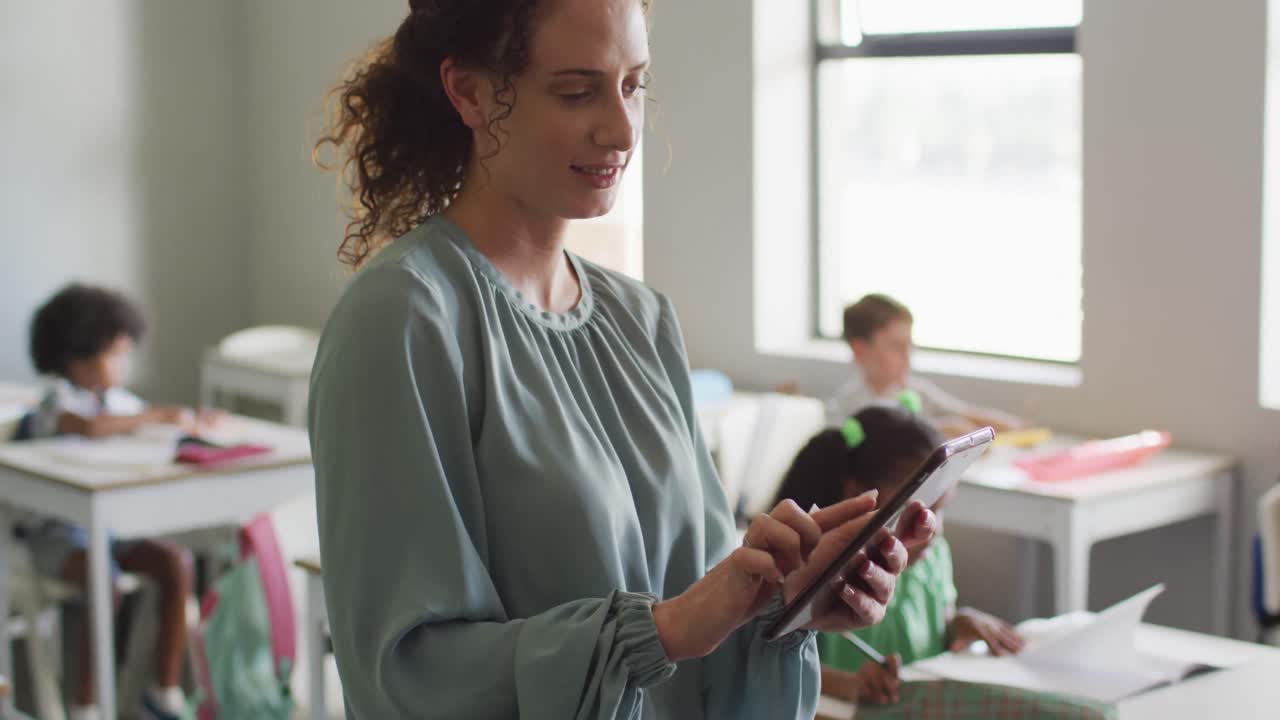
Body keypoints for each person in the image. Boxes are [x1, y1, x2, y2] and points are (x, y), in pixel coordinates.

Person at [307, 1, 937, 717]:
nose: (621, 128)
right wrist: (661, 631)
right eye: (576, 92)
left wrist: (785, 599)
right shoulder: (404, 320)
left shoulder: (642, 321)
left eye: (633, 85)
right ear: (471, 93)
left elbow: (700, 616)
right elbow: (405, 675)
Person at [19, 283, 207, 720]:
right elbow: (89, 427)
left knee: (175, 563)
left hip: (110, 528)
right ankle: (87, 704)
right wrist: (157, 415)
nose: (124, 364)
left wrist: (189, 422)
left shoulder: (119, 403)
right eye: (116, 353)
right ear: (77, 356)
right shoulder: (55, 398)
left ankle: (162, 691)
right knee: (102, 580)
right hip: (54, 534)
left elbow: (138, 423)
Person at [773, 404, 1025, 705]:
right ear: (860, 497)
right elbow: (781, 664)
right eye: (921, 510)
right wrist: (852, 685)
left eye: (941, 510)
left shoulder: (933, 558)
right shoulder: (813, 573)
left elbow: (936, 628)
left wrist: (958, 623)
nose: (934, 529)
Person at [825, 293, 1024, 436]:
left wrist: (1010, 426)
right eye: (897, 346)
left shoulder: (917, 390)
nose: (907, 355)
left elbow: (961, 411)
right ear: (861, 350)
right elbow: (886, 442)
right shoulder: (850, 406)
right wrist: (938, 429)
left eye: (909, 345)